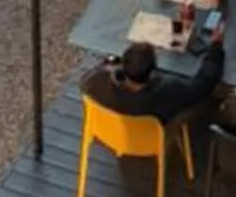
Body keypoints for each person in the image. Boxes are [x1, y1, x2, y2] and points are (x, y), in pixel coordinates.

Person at [82, 36, 222, 128]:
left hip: (112, 131)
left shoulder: (98, 81)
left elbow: (87, 81)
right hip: (152, 136)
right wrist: (215, 49)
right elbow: (203, 85)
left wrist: (110, 65)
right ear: (153, 70)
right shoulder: (168, 92)